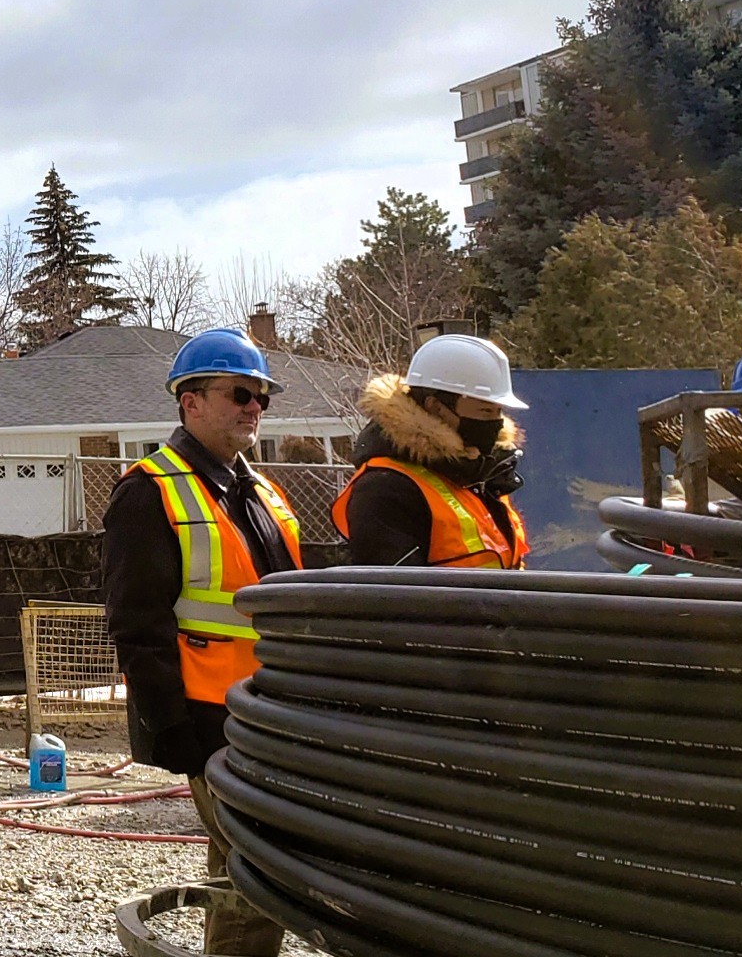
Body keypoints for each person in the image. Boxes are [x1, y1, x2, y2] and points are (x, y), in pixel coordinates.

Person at [100, 328, 304, 957]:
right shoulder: (149, 490)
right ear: (190, 402)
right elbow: (137, 624)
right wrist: (170, 726)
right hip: (210, 717)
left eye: (262, 396)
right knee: (259, 867)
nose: (255, 406)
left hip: (272, 712)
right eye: (240, 393)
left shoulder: (260, 492)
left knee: (248, 866)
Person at [335, 334, 529, 570]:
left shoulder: (480, 475)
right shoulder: (385, 489)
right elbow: (394, 588)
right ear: (436, 407)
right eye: (486, 411)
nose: (496, 423)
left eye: (499, 412)